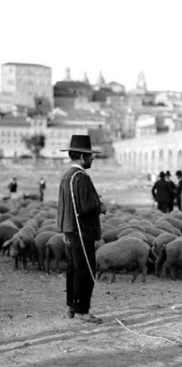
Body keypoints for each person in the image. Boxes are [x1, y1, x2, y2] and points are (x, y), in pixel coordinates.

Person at [57, 134, 106, 324]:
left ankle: (71, 306)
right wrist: (99, 206)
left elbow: (69, 204)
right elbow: (86, 208)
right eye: (90, 155)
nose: (93, 158)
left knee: (73, 268)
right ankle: (83, 311)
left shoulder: (67, 176)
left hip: (69, 229)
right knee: (86, 270)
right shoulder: (82, 177)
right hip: (82, 230)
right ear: (82, 156)